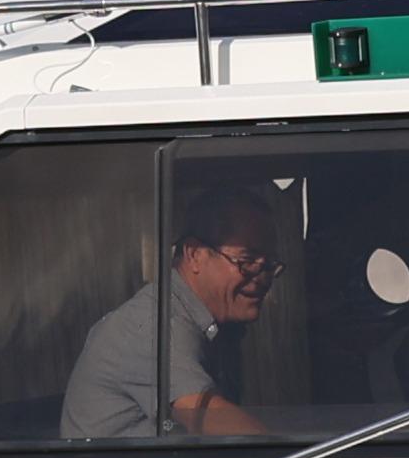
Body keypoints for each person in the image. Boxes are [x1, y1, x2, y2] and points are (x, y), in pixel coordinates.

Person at [55, 184, 277, 443]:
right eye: (247, 261)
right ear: (195, 255)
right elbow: (210, 420)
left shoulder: (216, 328)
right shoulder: (153, 327)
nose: (262, 278)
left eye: (269, 265)